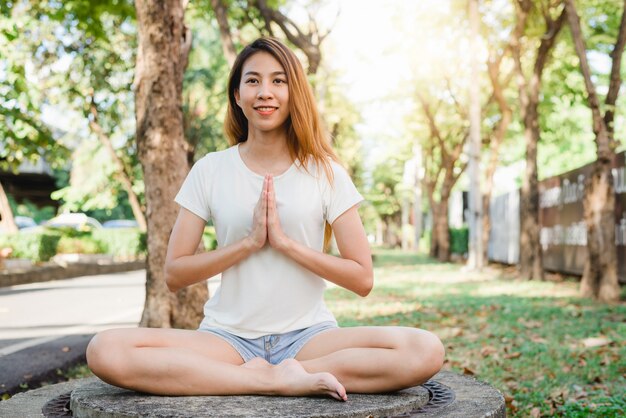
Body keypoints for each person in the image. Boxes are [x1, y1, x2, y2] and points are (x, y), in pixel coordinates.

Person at [86, 37, 444, 401]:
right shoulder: (211, 170)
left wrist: (286, 245)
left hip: (309, 337)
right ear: (237, 95)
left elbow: (362, 278)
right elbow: (175, 274)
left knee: (424, 349)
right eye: (253, 81)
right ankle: (272, 380)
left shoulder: (327, 173)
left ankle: (270, 373)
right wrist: (249, 243)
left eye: (278, 80)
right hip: (226, 339)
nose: (265, 92)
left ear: (294, 92)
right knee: (106, 349)